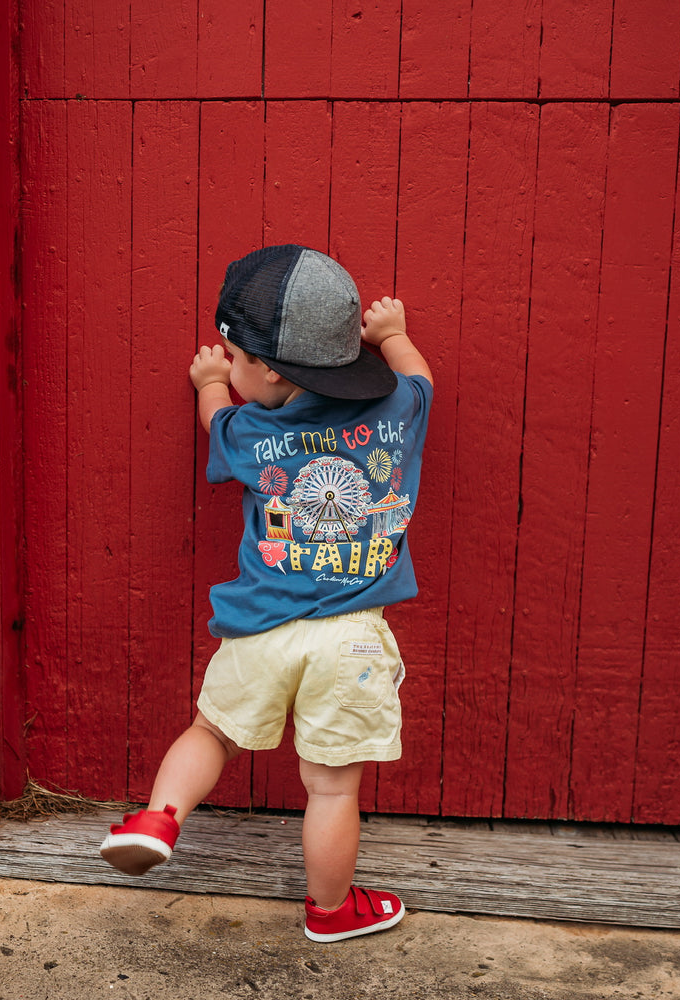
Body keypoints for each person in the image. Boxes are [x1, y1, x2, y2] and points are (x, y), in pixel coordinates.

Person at [99, 244, 433, 942]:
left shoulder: (252, 431)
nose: (230, 364)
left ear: (269, 371)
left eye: (235, 354)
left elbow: (216, 421)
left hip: (259, 631)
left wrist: (207, 383)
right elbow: (420, 378)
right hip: (351, 640)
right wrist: (394, 334)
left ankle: (157, 817)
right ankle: (331, 911)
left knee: (212, 732)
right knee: (334, 787)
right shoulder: (402, 410)